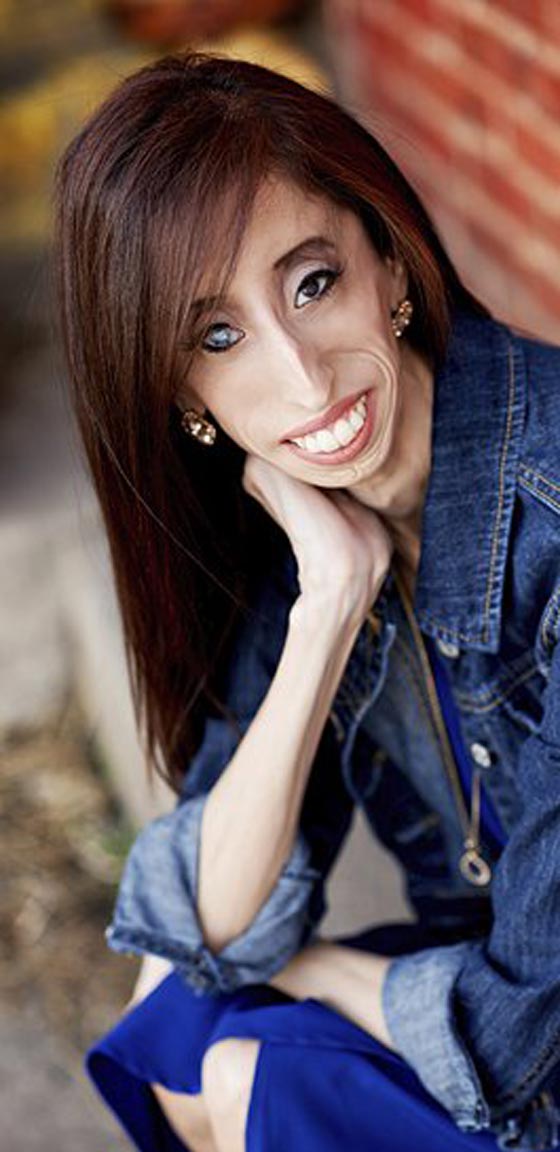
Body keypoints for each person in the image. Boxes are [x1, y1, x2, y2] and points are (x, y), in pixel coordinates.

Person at [52, 49, 560, 1152]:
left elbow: (520, 1035)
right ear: (181, 393)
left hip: (533, 1038)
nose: (302, 378)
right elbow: (210, 923)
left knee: (248, 1072)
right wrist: (330, 602)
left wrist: (317, 970)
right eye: (218, 337)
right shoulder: (306, 533)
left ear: (388, 257)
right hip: (494, 1002)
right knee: (179, 1026)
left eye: (311, 282)